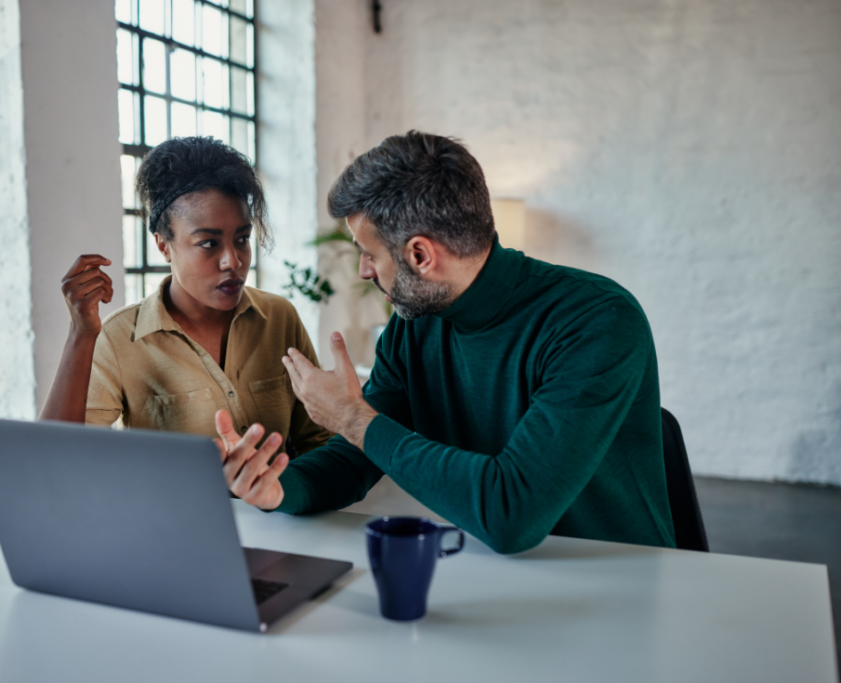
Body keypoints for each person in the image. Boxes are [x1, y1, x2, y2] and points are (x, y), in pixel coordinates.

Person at [214, 131, 676, 554]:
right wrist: (279, 487)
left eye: (368, 253)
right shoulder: (415, 326)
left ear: (419, 255)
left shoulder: (597, 321)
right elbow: (357, 460)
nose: (364, 271)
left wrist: (353, 417)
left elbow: (511, 514)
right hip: (490, 575)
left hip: (620, 579)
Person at [40, 136, 330, 459]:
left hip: (280, 509)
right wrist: (81, 335)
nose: (232, 261)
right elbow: (53, 457)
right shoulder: (120, 339)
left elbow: (318, 442)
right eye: (209, 243)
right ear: (164, 245)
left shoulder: (280, 318)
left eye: (243, 239)